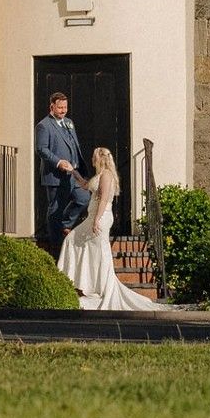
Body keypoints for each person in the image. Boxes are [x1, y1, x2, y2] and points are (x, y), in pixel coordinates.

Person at [57, 146, 170, 312]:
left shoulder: (107, 176)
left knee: (93, 249)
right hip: (93, 218)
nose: (92, 160)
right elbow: (85, 185)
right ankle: (80, 282)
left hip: (100, 218)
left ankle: (99, 287)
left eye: (94, 158)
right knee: (75, 241)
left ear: (100, 159)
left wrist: (96, 220)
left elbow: (103, 200)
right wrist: (73, 171)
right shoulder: (99, 175)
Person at [35, 91, 89, 249]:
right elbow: (41, 149)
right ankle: (56, 247)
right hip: (55, 175)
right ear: (51, 106)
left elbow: (73, 144)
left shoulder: (69, 122)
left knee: (84, 198)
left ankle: (65, 225)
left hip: (73, 172)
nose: (63, 110)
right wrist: (58, 162)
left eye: (65, 107)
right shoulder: (43, 126)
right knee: (55, 210)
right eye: (60, 107)